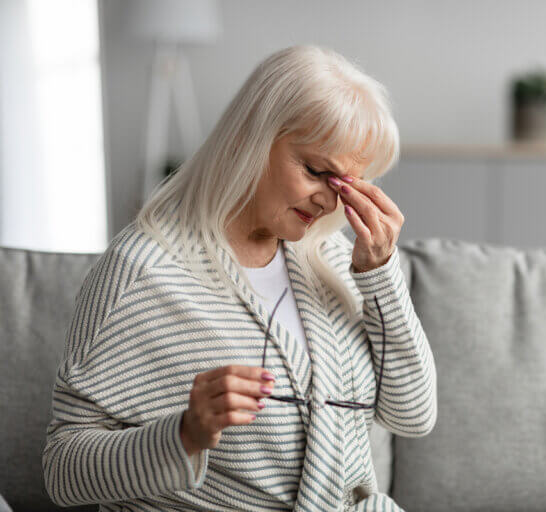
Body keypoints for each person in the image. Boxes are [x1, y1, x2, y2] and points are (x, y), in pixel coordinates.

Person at [42, 45, 437, 511]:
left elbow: (413, 415)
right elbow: (62, 471)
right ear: (251, 136)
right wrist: (183, 434)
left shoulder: (331, 258)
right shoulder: (143, 272)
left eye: (345, 186)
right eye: (315, 171)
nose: (329, 204)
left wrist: (381, 275)